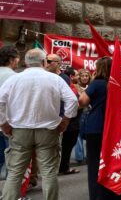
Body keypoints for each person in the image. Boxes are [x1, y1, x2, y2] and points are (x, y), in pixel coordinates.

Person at [0, 48, 78, 200]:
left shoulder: (14, 79)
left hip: (20, 130)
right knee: (49, 172)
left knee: (15, 172)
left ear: (26, 63)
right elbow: (73, 100)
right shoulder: (55, 79)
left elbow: (0, 101)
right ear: (43, 62)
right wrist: (66, 120)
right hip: (48, 130)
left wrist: (3, 123)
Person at [79, 57, 121, 200]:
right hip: (114, 128)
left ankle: (98, 196)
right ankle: (115, 193)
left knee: (95, 164)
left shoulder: (97, 83)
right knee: (113, 163)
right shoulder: (118, 83)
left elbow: (82, 101)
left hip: (96, 127)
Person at [0, 45, 20, 179]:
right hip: (8, 126)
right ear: (12, 59)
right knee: (12, 164)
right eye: (18, 58)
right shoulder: (15, 78)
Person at [59, 67, 82, 175]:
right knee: (67, 146)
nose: (78, 77)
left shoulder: (72, 86)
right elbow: (74, 102)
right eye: (77, 75)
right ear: (71, 77)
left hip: (71, 121)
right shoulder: (70, 88)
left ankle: (63, 166)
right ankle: (64, 167)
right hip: (71, 122)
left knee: (67, 146)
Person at [74, 69, 91, 165]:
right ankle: (79, 157)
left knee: (89, 135)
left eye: (87, 76)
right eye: (83, 76)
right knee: (78, 136)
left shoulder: (91, 87)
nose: (85, 78)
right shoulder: (76, 87)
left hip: (89, 113)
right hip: (79, 114)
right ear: (79, 77)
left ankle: (89, 156)